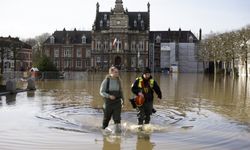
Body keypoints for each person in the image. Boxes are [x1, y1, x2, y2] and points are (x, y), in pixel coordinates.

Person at [100, 66, 124, 133]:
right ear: (111, 72)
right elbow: (101, 92)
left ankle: (117, 133)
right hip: (108, 103)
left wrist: (123, 101)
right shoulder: (106, 81)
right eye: (115, 72)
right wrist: (109, 96)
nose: (117, 73)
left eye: (117, 72)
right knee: (106, 119)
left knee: (117, 119)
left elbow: (121, 92)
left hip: (117, 103)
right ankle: (103, 132)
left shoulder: (119, 80)